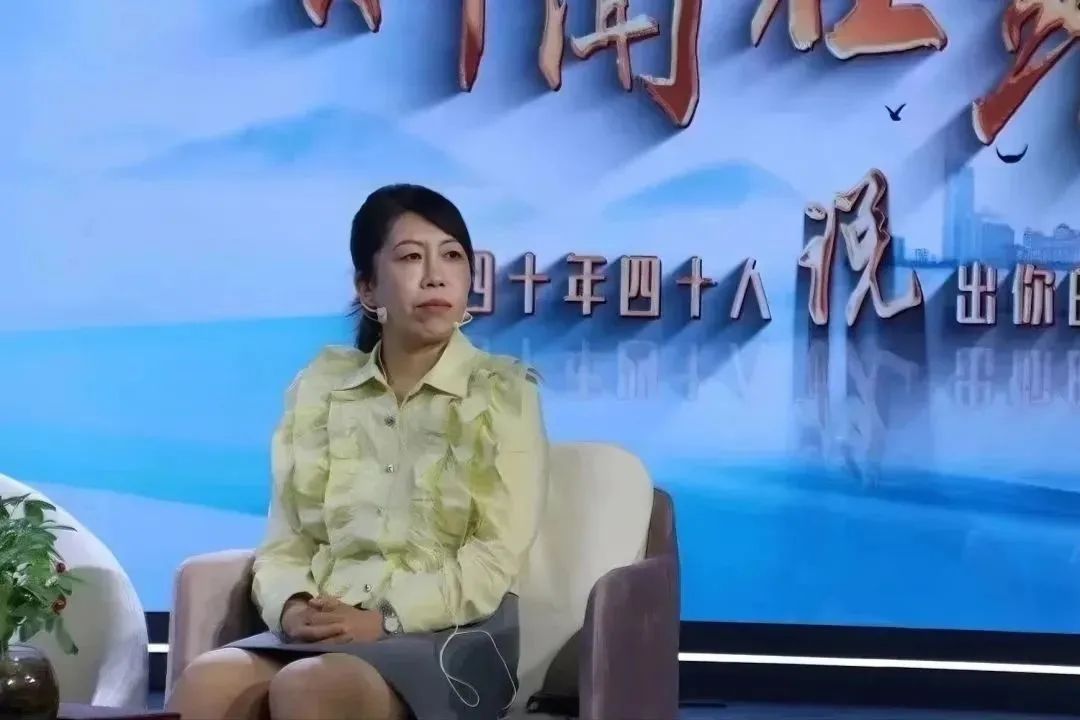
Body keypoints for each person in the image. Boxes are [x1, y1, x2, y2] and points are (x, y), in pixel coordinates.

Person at [166, 184, 549, 720]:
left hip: (450, 632)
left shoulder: (503, 393)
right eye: (411, 257)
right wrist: (292, 606)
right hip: (331, 621)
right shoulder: (321, 389)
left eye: (452, 256)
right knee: (207, 683)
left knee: (311, 687)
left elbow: (493, 558)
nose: (435, 276)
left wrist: (384, 618)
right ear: (368, 287)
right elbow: (287, 541)